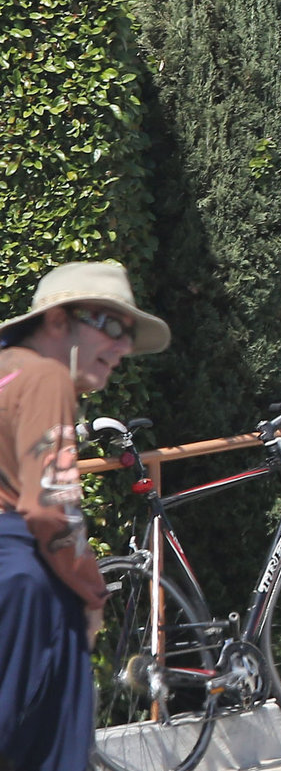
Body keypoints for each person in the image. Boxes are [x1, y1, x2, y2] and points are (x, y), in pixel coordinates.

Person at [0, 261, 170, 771]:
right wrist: (91, 592)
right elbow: (49, 510)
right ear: (57, 322)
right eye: (112, 326)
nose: (122, 348)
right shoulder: (47, 376)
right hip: (22, 584)